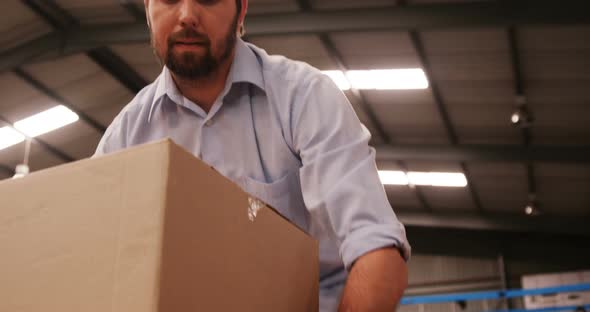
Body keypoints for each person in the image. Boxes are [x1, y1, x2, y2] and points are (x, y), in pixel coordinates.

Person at [94, 0, 411, 310]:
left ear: (241, 9)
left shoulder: (302, 98)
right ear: (147, 9)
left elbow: (377, 250)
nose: (188, 14)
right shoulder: (125, 137)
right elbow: (90, 256)